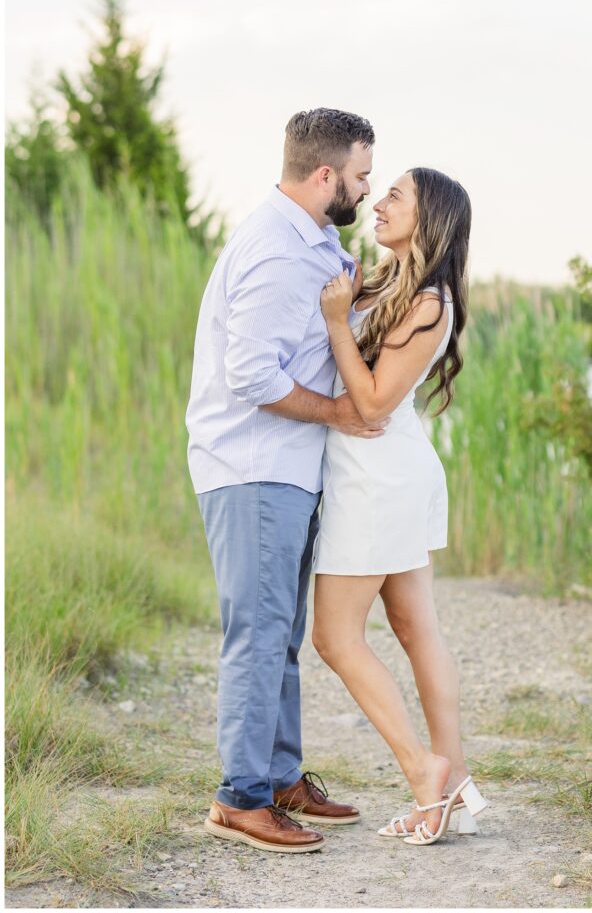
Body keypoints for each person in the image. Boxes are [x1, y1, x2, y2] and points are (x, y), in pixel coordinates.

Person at [185, 107, 389, 853]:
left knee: (282, 634)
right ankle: (241, 798)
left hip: (288, 468)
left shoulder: (317, 242)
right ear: (326, 174)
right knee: (259, 633)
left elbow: (304, 337)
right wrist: (337, 410)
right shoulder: (275, 249)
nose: (368, 190)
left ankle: (277, 777)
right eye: (362, 175)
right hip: (253, 467)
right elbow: (250, 376)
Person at [310, 166, 488, 846]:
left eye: (395, 197)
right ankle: (456, 778)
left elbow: (376, 403)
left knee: (335, 637)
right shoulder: (391, 286)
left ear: (430, 218)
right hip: (380, 472)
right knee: (416, 630)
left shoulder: (430, 302)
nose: (377, 203)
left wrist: (334, 323)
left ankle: (424, 774)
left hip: (378, 479)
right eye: (379, 191)